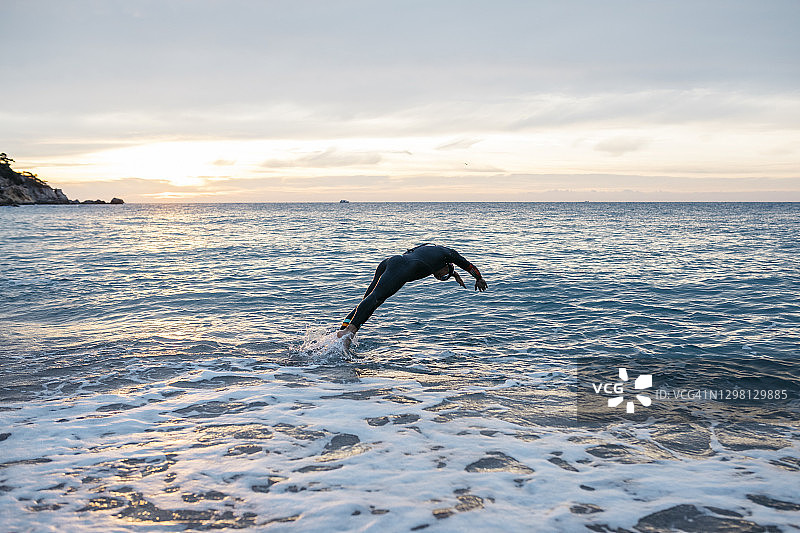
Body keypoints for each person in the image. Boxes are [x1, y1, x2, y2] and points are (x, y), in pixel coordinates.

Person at [337, 243, 488, 346]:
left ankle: (342, 328)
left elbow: (442, 266)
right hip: (403, 267)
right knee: (376, 298)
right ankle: (348, 333)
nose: (438, 278)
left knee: (369, 300)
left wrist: (453, 275)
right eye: (442, 276)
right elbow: (469, 265)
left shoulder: (433, 251)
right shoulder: (450, 255)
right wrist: (479, 278)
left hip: (390, 261)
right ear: (446, 266)